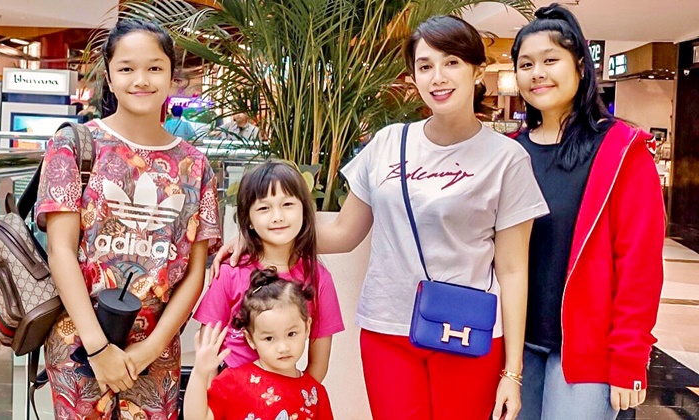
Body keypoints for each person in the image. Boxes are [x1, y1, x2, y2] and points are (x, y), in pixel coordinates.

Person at [214, 15, 549, 420]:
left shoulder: (507, 159)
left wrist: (512, 372)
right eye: (425, 66)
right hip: (387, 327)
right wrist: (261, 238)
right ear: (413, 76)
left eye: (452, 62)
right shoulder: (389, 142)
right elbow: (343, 233)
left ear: (477, 69)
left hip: (465, 331)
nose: (438, 77)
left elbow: (513, 270)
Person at [36, 19, 221, 418]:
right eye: (126, 68)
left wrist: (149, 350)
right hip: (79, 345)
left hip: (157, 351)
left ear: (172, 76)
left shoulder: (195, 165)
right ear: (109, 76)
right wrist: (98, 348)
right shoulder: (74, 145)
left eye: (154, 67)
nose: (141, 80)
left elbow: (195, 272)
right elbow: (60, 251)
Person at [510, 4, 665, 420]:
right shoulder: (510, 152)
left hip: (587, 352)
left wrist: (630, 357)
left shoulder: (622, 151)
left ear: (580, 66)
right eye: (526, 64)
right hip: (515, 346)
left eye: (550, 60)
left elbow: (639, 262)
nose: (537, 73)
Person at [194, 160, 345, 382]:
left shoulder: (319, 278)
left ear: (305, 211)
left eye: (288, 204)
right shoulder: (229, 273)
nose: (277, 217)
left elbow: (318, 364)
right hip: (229, 395)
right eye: (264, 208)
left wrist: (295, 397)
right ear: (249, 220)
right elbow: (207, 351)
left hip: (286, 398)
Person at [185, 269, 335, 420]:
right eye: (269, 338)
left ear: (307, 327)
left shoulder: (315, 394)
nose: (283, 348)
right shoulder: (233, 381)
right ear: (250, 339)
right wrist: (200, 373)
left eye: (291, 334)